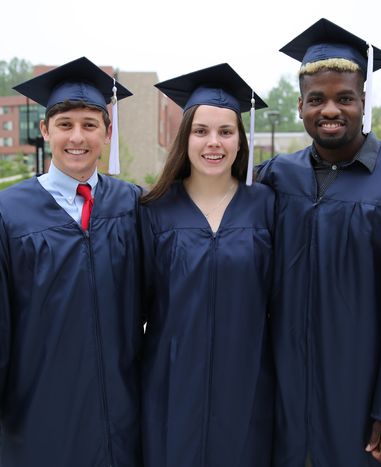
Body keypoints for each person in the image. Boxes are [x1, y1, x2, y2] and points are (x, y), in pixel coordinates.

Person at [257, 18, 381, 466]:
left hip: (366, 395)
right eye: (317, 99)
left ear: (363, 101)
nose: (330, 109)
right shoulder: (277, 176)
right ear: (299, 106)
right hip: (289, 394)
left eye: (344, 98)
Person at [0, 57, 143, 467]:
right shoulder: (5, 212)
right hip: (39, 411)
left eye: (90, 125)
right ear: (44, 130)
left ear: (107, 134)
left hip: (121, 411)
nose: (77, 137)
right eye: (65, 124)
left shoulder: (131, 203)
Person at [140, 63, 275, 467]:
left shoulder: (268, 206)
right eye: (201, 131)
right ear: (186, 138)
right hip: (172, 382)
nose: (213, 143)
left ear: (239, 140)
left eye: (225, 131)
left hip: (248, 380)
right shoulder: (153, 210)